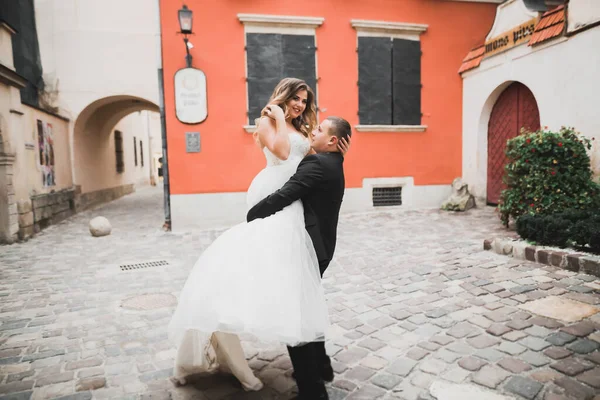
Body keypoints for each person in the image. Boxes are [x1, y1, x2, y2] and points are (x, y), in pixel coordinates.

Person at [167, 78, 350, 394]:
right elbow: (281, 151)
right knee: (284, 283)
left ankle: (314, 365)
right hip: (274, 199)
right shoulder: (267, 121)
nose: (300, 106)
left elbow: (312, 159)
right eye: (295, 98)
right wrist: (279, 118)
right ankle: (310, 369)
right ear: (284, 96)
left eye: (304, 101)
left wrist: (334, 152)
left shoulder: (302, 128)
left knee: (296, 286)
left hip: (294, 202)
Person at [247, 114, 351, 400]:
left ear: (332, 140)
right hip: (322, 247)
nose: (312, 132)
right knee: (308, 307)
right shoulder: (335, 161)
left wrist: (253, 214)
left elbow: (286, 193)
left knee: (294, 315)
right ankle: (323, 367)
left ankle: (312, 390)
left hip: (307, 247)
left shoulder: (318, 163)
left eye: (319, 129)